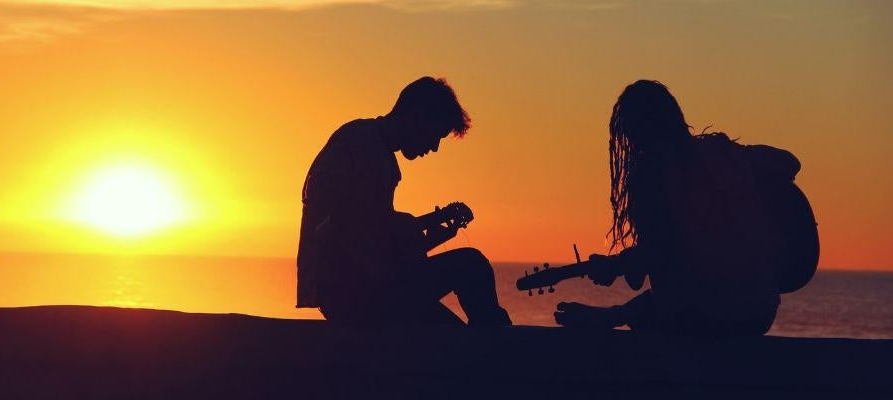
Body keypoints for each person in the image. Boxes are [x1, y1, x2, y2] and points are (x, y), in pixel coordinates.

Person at [554, 80, 818, 336]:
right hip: (759, 313)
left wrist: (616, 266)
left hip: (704, 315)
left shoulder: (650, 174)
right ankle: (614, 314)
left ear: (632, 134)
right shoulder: (723, 152)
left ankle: (610, 317)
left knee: (658, 305)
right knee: (671, 294)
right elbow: (789, 162)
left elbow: (658, 253)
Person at [296, 77, 511, 326]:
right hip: (356, 296)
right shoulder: (358, 144)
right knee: (472, 265)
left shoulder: (374, 150)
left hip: (361, 291)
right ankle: (501, 350)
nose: (434, 148)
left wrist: (424, 237)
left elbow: (376, 238)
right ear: (417, 117)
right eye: (435, 135)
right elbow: (343, 229)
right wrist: (410, 231)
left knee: (456, 333)